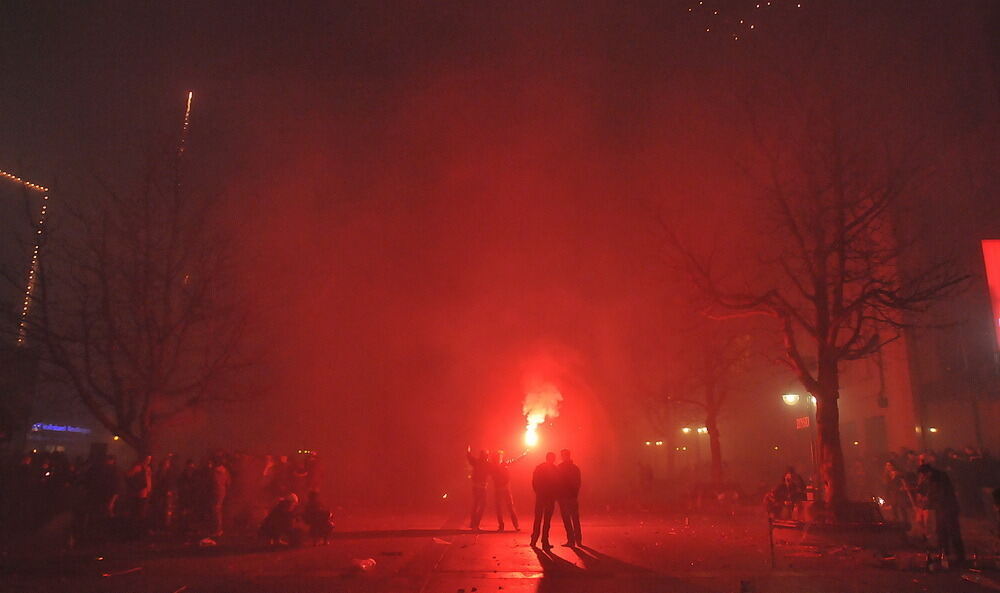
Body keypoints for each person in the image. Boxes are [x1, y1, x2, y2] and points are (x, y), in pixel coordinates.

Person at [916, 463, 964, 566]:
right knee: (941, 532)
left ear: (928, 472)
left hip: (949, 508)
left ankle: (960, 556)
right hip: (940, 509)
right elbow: (922, 489)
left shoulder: (941, 477)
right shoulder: (931, 478)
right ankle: (944, 554)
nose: (923, 477)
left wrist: (930, 500)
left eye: (924, 475)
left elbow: (941, 494)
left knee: (953, 531)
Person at [491, 449, 527, 532]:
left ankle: (516, 525)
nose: (499, 458)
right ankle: (501, 526)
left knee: (510, 507)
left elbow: (515, 460)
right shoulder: (492, 466)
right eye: (497, 457)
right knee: (499, 508)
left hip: (505, 489)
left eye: (500, 456)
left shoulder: (505, 464)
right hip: (498, 489)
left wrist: (524, 454)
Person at [530, 452, 559, 548]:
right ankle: (544, 541)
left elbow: (534, 482)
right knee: (547, 521)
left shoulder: (539, 468)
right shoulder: (555, 469)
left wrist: (538, 492)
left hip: (541, 497)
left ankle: (534, 540)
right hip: (549, 498)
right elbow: (558, 484)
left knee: (538, 519)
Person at [557, 449, 582, 547]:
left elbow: (557, 482)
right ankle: (578, 540)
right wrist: (575, 494)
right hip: (571, 497)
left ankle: (571, 540)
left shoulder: (560, 468)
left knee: (567, 519)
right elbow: (578, 483)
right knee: (575, 518)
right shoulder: (575, 468)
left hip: (565, 497)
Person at [466, 447, 491, 531]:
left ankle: (473, 523)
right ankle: (475, 524)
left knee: (476, 505)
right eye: (487, 455)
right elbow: (494, 470)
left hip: (477, 487)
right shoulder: (486, 464)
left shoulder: (477, 462)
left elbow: (469, 457)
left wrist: (468, 451)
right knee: (481, 505)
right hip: (480, 487)